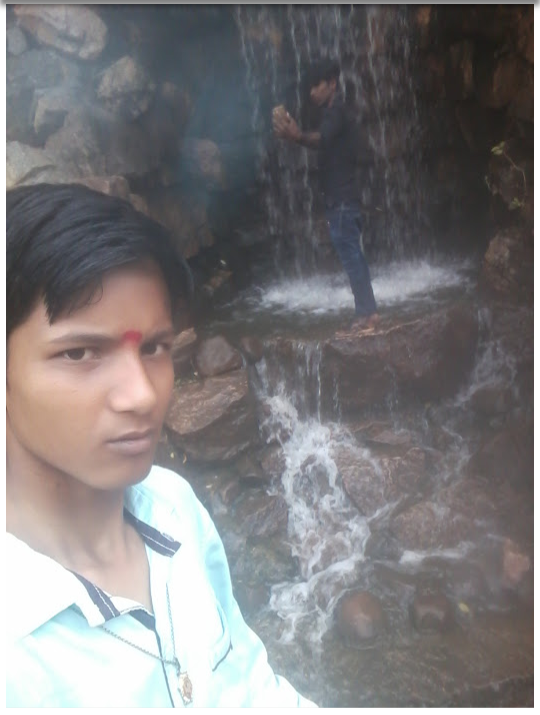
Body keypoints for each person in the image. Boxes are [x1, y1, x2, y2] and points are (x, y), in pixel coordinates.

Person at [6, 182, 316, 708]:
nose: (143, 395)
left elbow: (250, 687)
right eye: (80, 353)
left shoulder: (173, 507)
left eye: (155, 347)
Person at [272, 57, 378, 330]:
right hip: (341, 199)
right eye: (309, 87)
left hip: (342, 200)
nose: (311, 92)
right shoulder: (334, 113)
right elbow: (323, 140)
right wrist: (297, 136)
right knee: (354, 255)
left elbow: (322, 138)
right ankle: (368, 311)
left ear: (332, 83)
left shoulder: (338, 110)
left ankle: (365, 314)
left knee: (351, 257)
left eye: (316, 85)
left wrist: (297, 136)